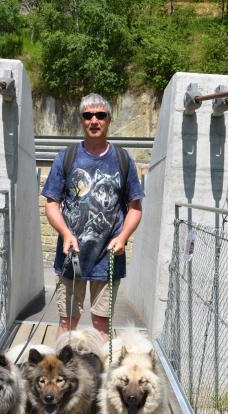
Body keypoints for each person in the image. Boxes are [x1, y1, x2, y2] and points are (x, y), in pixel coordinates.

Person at [42, 93, 144, 340]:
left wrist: (123, 237)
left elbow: (135, 208)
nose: (94, 120)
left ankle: (103, 376)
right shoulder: (66, 157)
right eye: (88, 116)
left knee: (101, 323)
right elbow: (51, 203)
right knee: (67, 321)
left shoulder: (123, 159)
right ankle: (61, 377)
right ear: (82, 120)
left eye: (100, 115)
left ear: (109, 120)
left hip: (107, 257)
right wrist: (66, 234)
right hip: (71, 255)